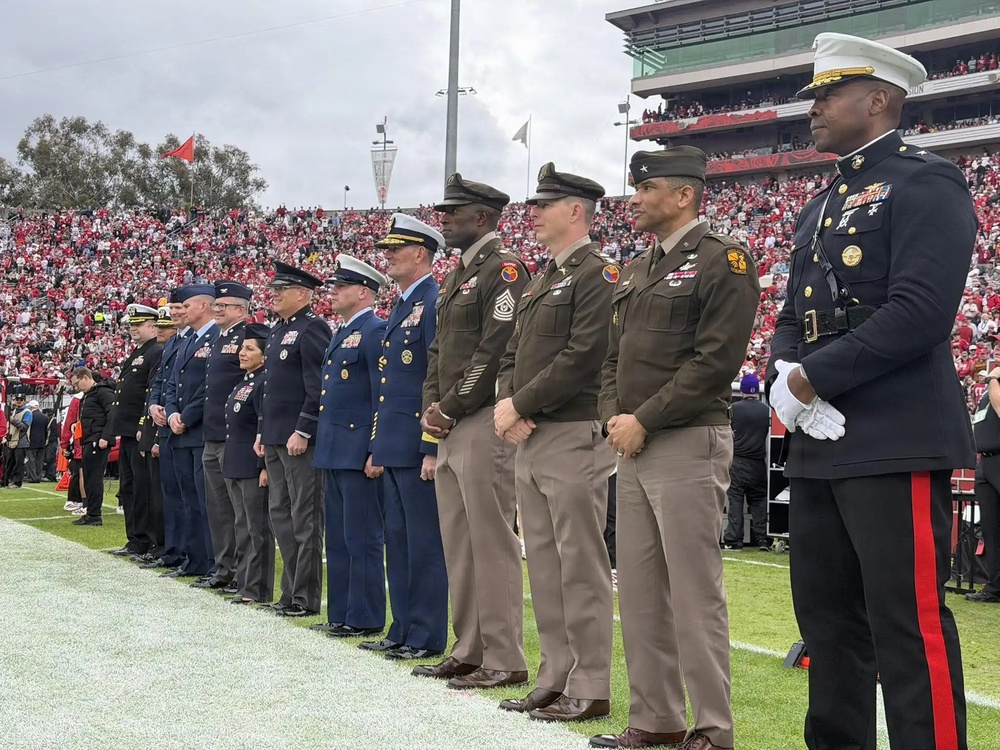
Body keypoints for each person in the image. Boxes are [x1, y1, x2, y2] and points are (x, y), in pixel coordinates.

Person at [766, 32, 974, 750]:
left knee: (906, 621)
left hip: (893, 434)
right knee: (826, 623)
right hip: (817, 440)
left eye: (828, 93)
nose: (814, 108)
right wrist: (781, 378)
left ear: (879, 99)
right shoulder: (816, 205)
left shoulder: (926, 181)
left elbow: (919, 312)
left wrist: (809, 378)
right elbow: (794, 314)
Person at [595, 147, 759, 750]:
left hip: (687, 441)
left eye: (646, 188)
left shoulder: (724, 260)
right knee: (638, 592)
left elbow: (716, 362)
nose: (634, 199)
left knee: (694, 593)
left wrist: (643, 418)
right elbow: (611, 360)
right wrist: (614, 415)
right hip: (632, 445)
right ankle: (655, 719)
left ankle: (713, 730)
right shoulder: (637, 269)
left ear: (685, 194)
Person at [494, 163, 618, 722]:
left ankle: (590, 683)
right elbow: (511, 353)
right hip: (533, 434)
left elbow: (585, 355)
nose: (534, 213)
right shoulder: (545, 276)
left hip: (571, 431)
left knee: (580, 563)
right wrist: (507, 403)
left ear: (575, 211)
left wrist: (518, 404)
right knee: (542, 562)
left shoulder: (598, 273)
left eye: (544, 205)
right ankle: (554, 674)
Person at [419, 174, 530, 689]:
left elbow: (494, 348)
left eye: (454, 211)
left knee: (491, 540)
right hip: (451, 420)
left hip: (482, 418)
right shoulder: (458, 273)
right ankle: (469, 649)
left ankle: (504, 657)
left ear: (482, 218)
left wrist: (453, 404)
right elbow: (440, 350)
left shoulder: (503, 270)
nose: (444, 218)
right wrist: (430, 404)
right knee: (459, 542)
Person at [363, 215, 449, 661]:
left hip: (418, 444)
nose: (388, 257)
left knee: (424, 543)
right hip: (394, 442)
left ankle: (427, 633)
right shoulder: (400, 306)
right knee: (397, 540)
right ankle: (402, 628)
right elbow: (387, 385)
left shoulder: (434, 300)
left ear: (420, 253)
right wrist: (379, 445)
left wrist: (431, 446)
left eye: (396, 250)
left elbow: (435, 377)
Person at [312, 255, 388, 638]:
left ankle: (366, 615)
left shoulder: (374, 330)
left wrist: (376, 446)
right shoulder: (342, 331)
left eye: (341, 287)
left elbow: (381, 394)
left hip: (358, 451)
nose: (334, 293)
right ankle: (341, 612)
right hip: (335, 448)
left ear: (363, 292)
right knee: (339, 539)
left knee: (362, 538)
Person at [255, 261, 331, 617]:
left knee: (305, 518)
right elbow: (269, 389)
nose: (274, 295)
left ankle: (304, 597)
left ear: (302, 294)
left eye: (281, 290)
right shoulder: (277, 330)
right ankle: (288, 593)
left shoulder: (313, 329)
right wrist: (262, 431)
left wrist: (304, 428)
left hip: (299, 439)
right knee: (280, 517)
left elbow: (317, 386)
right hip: (274, 438)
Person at [195, 281, 250, 592]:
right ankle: (224, 568)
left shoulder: (247, 336)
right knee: (217, 509)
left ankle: (243, 572)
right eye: (216, 305)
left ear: (240, 309)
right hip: (213, 433)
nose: (216, 309)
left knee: (239, 511)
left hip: (234, 435)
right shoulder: (219, 338)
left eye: (223, 306)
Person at [163, 285, 220, 579]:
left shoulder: (216, 336)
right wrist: (172, 412)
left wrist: (185, 416)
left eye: (188, 305)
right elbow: (173, 382)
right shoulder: (187, 340)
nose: (182, 310)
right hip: (180, 431)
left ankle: (212, 563)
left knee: (205, 501)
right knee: (188, 500)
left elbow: (209, 386)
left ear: (204, 306)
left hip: (199, 430)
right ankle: (194, 560)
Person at [223, 322, 275, 606]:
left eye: (249, 349)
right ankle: (244, 583)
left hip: (252, 465)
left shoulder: (263, 382)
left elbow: (262, 427)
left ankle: (256, 589)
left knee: (256, 529)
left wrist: (263, 466)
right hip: (235, 464)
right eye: (242, 348)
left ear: (264, 355)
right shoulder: (245, 380)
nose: (242, 353)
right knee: (241, 527)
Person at [107, 304, 163, 558]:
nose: (133, 329)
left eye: (138, 324)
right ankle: (134, 538)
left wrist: (144, 425)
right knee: (129, 488)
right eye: (131, 325)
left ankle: (144, 540)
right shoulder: (140, 352)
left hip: (138, 431)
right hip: (127, 431)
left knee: (142, 488)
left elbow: (149, 393)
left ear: (152, 326)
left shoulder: (155, 351)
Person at [141, 299, 187, 570]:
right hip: (166, 425)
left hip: (181, 426)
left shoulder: (183, 342)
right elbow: (162, 382)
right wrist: (154, 406)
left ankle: (186, 554)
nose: (161, 330)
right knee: (171, 494)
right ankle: (173, 552)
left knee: (185, 497)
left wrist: (171, 413)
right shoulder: (171, 344)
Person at [722, 373, 771, 552]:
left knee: (735, 500)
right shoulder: (766, 411)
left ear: (742, 390)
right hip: (758, 462)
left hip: (738, 461)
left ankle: (734, 540)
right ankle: (763, 540)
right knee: (759, 501)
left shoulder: (734, 409)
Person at [70, 368, 116, 527]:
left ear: (85, 378)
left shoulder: (102, 393)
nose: (76, 387)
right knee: (89, 477)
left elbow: (113, 413)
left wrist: (106, 436)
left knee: (94, 478)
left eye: (77, 383)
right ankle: (91, 512)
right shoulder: (89, 395)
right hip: (90, 439)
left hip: (97, 439)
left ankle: (94, 514)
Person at [4, 395, 32, 489]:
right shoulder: (15, 410)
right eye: (17, 399)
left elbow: (25, 427)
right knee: (10, 462)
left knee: (19, 463)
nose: (19, 401)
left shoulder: (27, 412)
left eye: (21, 400)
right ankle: (5, 480)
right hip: (12, 440)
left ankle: (17, 482)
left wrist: (13, 421)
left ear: (24, 401)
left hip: (21, 441)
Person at [25, 400, 48, 483]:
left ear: (31, 407)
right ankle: (38, 477)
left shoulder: (29, 416)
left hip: (31, 442)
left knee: (30, 461)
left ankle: (32, 477)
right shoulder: (45, 417)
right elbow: (46, 430)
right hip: (42, 442)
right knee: (39, 461)